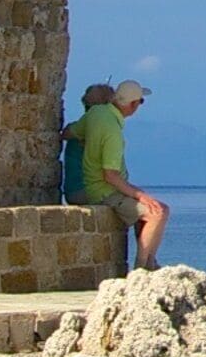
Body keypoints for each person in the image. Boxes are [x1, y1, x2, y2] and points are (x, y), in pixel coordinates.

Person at [68, 80, 167, 270]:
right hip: (103, 191)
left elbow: (70, 132)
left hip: (96, 186)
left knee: (151, 208)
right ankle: (142, 269)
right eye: (140, 103)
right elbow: (110, 176)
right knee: (157, 212)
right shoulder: (113, 133)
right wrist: (140, 195)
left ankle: (150, 263)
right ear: (133, 104)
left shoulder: (96, 114)